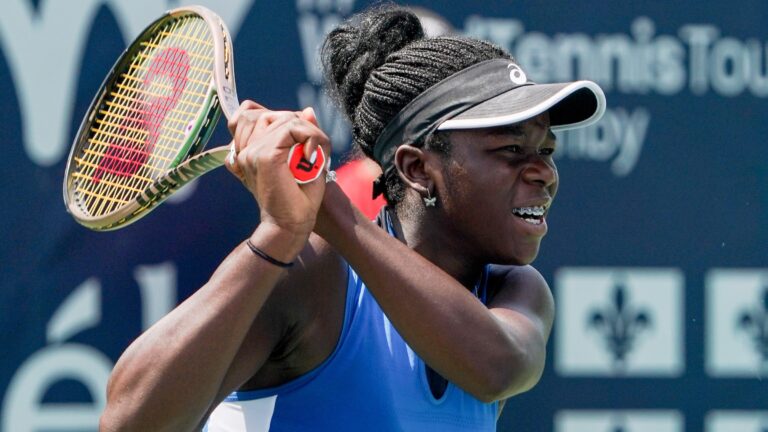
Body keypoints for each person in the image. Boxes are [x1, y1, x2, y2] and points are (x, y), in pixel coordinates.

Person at [99, 6, 605, 432]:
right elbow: (128, 423)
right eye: (513, 149)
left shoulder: (515, 292)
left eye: (546, 149)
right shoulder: (313, 278)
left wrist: (333, 211)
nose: (544, 172)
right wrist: (280, 233)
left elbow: (497, 367)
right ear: (417, 169)